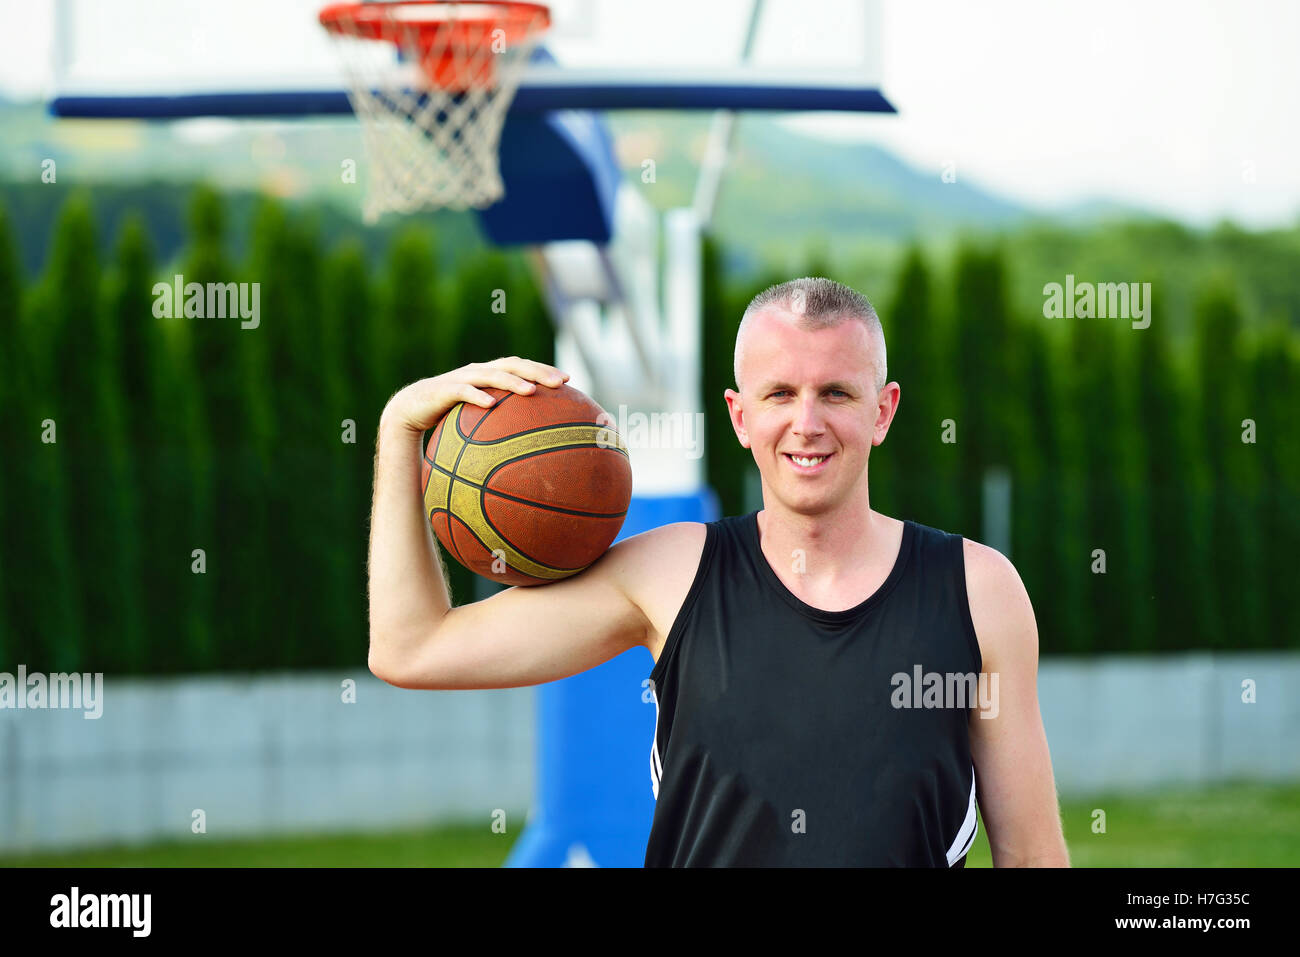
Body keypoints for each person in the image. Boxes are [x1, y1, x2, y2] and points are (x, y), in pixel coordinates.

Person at [367, 276, 1070, 867]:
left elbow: (1034, 856)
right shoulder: (671, 575)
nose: (806, 422)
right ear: (738, 415)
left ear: (882, 410)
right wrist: (400, 428)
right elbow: (410, 646)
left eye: (836, 393)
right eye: (778, 394)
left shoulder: (978, 591)